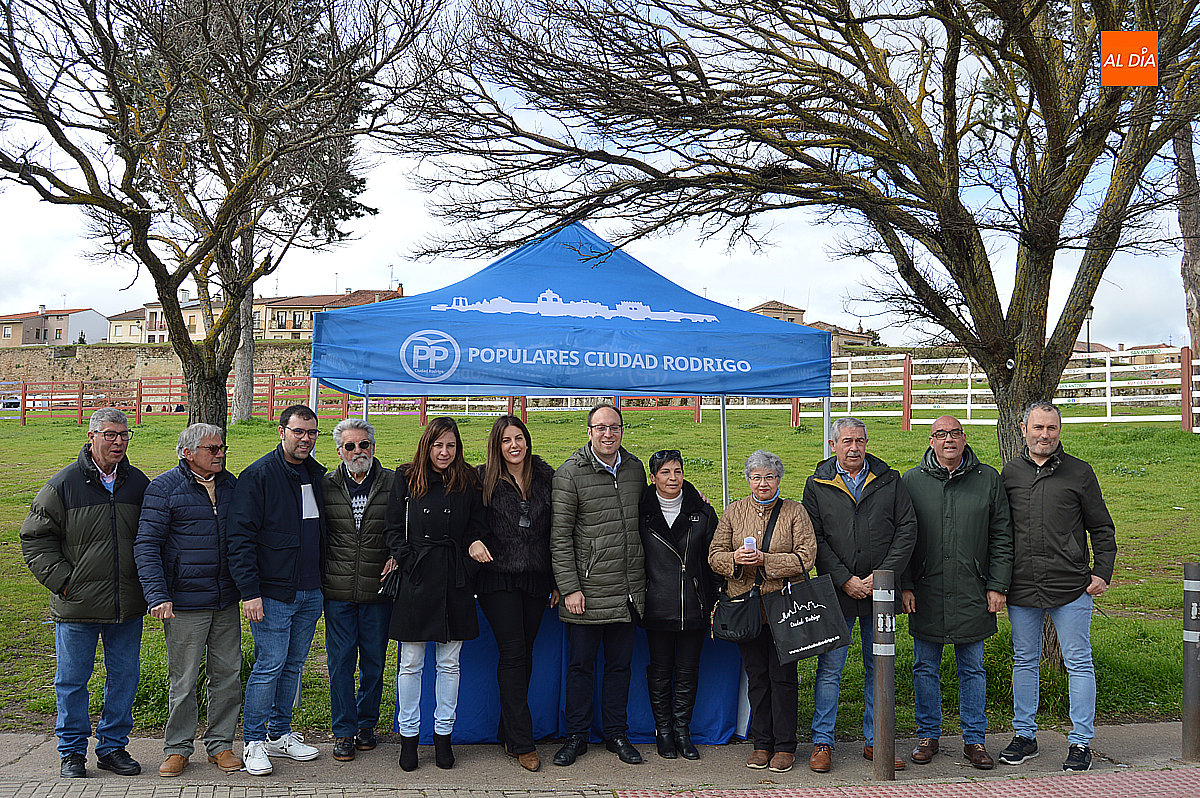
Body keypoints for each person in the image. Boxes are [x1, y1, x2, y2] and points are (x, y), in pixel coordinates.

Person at [21, 407, 149, 779]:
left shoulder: (138, 484)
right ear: (91, 437)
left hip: (126, 605)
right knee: (72, 680)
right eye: (110, 434)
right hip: (76, 605)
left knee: (124, 677)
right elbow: (34, 538)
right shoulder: (64, 484)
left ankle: (112, 747)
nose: (118, 442)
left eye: (124, 435)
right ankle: (72, 751)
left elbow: (155, 536)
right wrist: (64, 582)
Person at [999, 402, 1117, 772]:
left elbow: (1102, 527)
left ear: (1059, 431)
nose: (1044, 435)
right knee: (1024, 660)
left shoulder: (1080, 473)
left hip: (1071, 586)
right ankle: (1025, 735)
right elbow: (999, 533)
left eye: (1051, 428)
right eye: (1038, 428)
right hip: (1022, 586)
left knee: (1078, 662)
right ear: (1023, 429)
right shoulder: (1010, 474)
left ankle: (1081, 741)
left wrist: (1103, 571)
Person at [802, 416, 917, 774]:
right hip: (838, 592)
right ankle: (823, 742)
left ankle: (876, 741)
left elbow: (906, 528)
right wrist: (844, 578)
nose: (854, 448)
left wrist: (881, 577)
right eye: (847, 441)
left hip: (880, 592)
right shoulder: (817, 483)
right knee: (831, 668)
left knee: (878, 668)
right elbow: (814, 538)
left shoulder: (888, 479)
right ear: (833, 445)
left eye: (860, 441)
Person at [900, 415, 1013, 770]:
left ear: (964, 439)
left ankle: (974, 739)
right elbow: (902, 539)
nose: (948, 439)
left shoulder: (988, 479)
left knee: (973, 668)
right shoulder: (911, 482)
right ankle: (928, 735)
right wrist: (905, 584)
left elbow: (1002, 536)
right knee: (924, 667)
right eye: (940, 434)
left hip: (973, 591)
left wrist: (997, 585)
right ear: (930, 441)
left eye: (955, 433)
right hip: (926, 591)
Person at [134, 423, 243, 778]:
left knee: (227, 674)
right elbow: (147, 545)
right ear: (188, 453)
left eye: (222, 448)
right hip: (183, 602)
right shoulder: (164, 489)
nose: (220, 454)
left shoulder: (232, 486)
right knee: (183, 680)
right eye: (211, 449)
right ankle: (178, 748)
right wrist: (158, 595)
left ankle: (221, 744)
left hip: (226, 599)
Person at [226, 405, 328, 776]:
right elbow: (239, 539)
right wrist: (249, 591)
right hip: (271, 593)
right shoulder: (259, 476)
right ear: (281, 432)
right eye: (299, 431)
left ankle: (279, 734)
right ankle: (253, 741)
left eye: (311, 432)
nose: (305, 439)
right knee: (269, 665)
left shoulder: (317, 474)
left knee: (294, 666)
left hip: (310, 591)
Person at [384, 416, 486, 772]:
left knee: (449, 663)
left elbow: (478, 525)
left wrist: (470, 552)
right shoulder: (406, 477)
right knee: (410, 663)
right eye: (438, 445)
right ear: (426, 445)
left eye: (451, 446)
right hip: (417, 579)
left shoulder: (468, 480)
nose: (444, 452)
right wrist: (410, 562)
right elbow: (393, 528)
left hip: (455, 580)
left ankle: (444, 737)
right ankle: (409, 739)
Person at [550, 403, 647, 767]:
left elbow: (655, 509)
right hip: (586, 593)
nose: (609, 434)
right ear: (588, 431)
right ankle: (576, 736)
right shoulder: (569, 474)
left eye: (615, 427)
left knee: (620, 667)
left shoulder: (635, 469)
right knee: (580, 667)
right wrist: (570, 586)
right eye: (601, 427)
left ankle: (616, 734)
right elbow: (559, 538)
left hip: (627, 592)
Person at [708, 450, 815, 774]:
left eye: (769, 476)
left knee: (783, 678)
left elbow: (806, 557)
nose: (763, 483)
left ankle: (785, 746)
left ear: (778, 479)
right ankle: (761, 743)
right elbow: (714, 555)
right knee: (757, 677)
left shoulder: (795, 512)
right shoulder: (734, 511)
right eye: (756, 477)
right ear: (748, 480)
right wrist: (737, 559)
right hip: (747, 609)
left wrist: (767, 560)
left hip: (785, 606)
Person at [469, 415, 557, 773]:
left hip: (536, 578)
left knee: (526, 653)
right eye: (506, 440)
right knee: (514, 652)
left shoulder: (546, 478)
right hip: (498, 578)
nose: (514, 446)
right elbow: (468, 521)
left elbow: (558, 530)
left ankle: (507, 730)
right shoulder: (482, 479)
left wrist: (556, 580)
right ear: (497, 445)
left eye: (518, 438)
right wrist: (472, 541)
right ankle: (523, 741)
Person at [322, 419, 395, 762]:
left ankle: (367, 725)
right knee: (339, 664)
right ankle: (343, 731)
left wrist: (397, 555)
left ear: (373, 447)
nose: (357, 452)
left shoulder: (394, 484)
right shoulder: (325, 486)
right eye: (349, 446)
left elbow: (406, 528)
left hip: (377, 591)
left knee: (374, 663)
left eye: (363, 444)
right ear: (339, 451)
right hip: (337, 591)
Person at [639, 449, 719, 761]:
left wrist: (714, 599)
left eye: (677, 471)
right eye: (665, 473)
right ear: (653, 477)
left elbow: (713, 558)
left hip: (694, 604)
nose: (672, 478)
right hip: (657, 604)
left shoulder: (702, 511)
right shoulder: (641, 512)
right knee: (660, 671)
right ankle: (664, 731)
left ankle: (683, 731)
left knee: (688, 670)